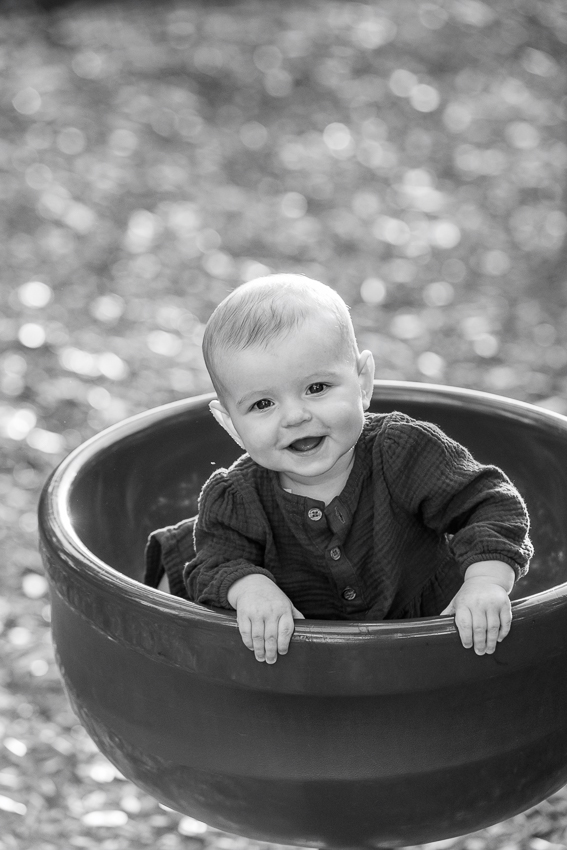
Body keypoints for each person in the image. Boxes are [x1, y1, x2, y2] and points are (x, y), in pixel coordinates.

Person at [146, 274, 533, 664]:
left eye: (316, 388)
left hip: (426, 633)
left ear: (362, 382)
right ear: (230, 424)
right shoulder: (237, 497)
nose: (296, 416)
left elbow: (490, 504)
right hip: (301, 660)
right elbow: (217, 560)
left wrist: (485, 582)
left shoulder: (403, 450)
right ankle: (157, 646)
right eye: (263, 404)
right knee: (188, 558)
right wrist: (251, 589)